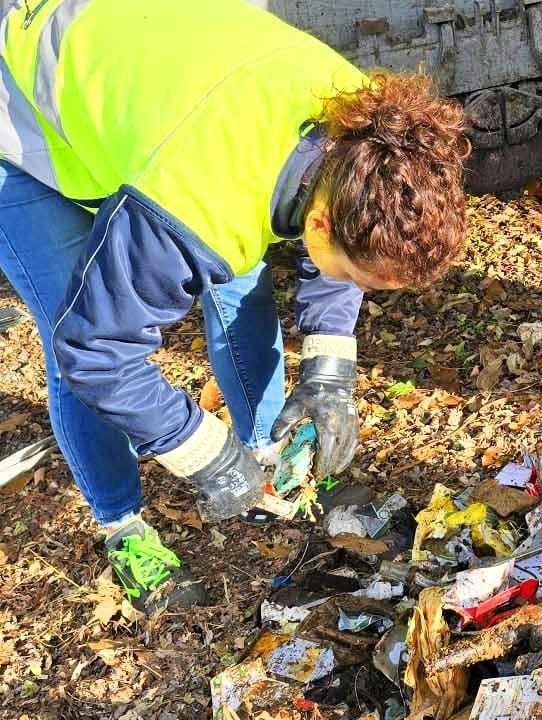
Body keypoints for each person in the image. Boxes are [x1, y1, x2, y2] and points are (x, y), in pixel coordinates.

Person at [0, 0, 472, 610]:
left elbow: (343, 246)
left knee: (242, 290)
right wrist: (202, 451)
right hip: (22, 126)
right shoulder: (203, 198)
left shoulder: (371, 132)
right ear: (322, 221)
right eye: (362, 279)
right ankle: (122, 524)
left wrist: (329, 376)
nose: (361, 290)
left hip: (157, 92)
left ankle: (270, 459)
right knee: (74, 326)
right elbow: (97, 353)